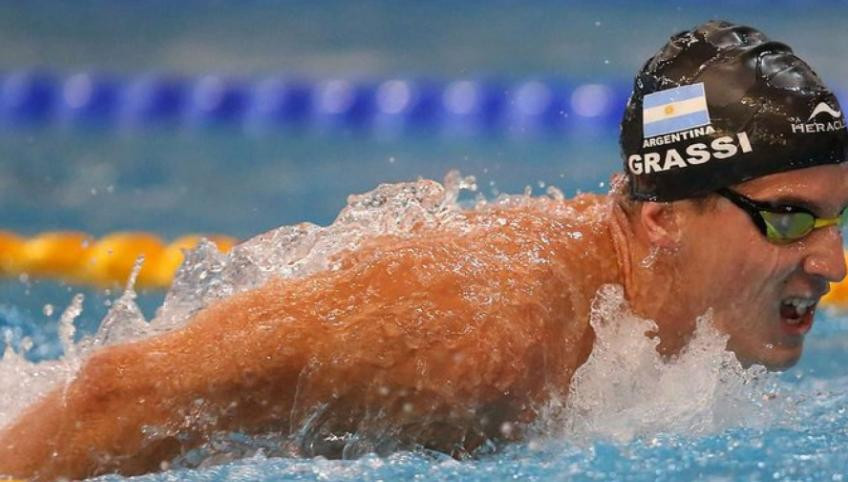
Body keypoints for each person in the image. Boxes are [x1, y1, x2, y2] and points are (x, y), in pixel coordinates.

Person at [2, 19, 847, 480]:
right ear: (664, 216)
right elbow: (119, 394)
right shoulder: (486, 339)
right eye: (788, 219)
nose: (832, 262)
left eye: (838, 218)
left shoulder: (661, 316)